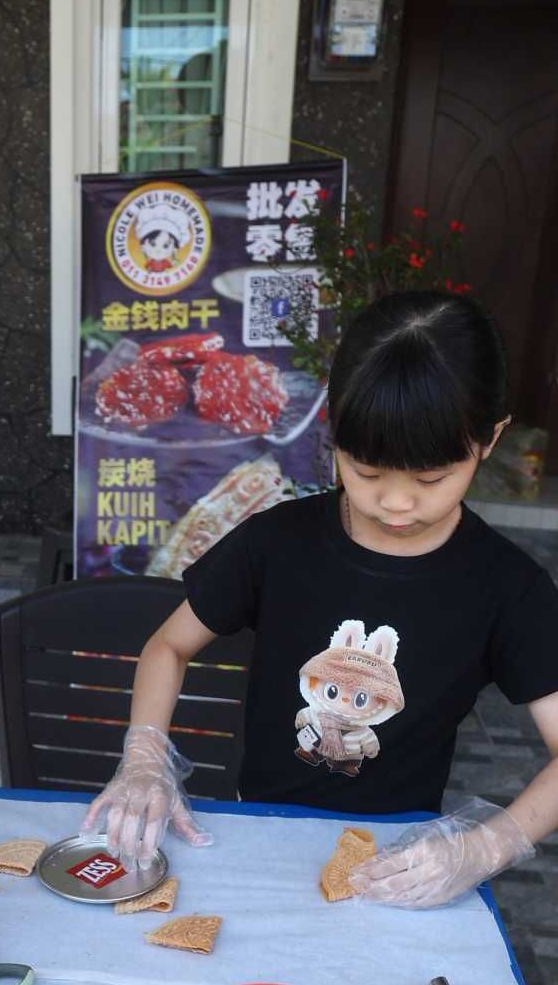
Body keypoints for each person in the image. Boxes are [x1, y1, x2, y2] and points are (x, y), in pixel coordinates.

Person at [83, 291, 558, 908]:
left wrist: (491, 844)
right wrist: (145, 754)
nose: (396, 503)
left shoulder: (506, 586)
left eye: (430, 479)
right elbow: (169, 644)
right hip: (259, 839)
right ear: (334, 430)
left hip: (397, 864)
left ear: (489, 440)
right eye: (366, 471)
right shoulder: (277, 542)